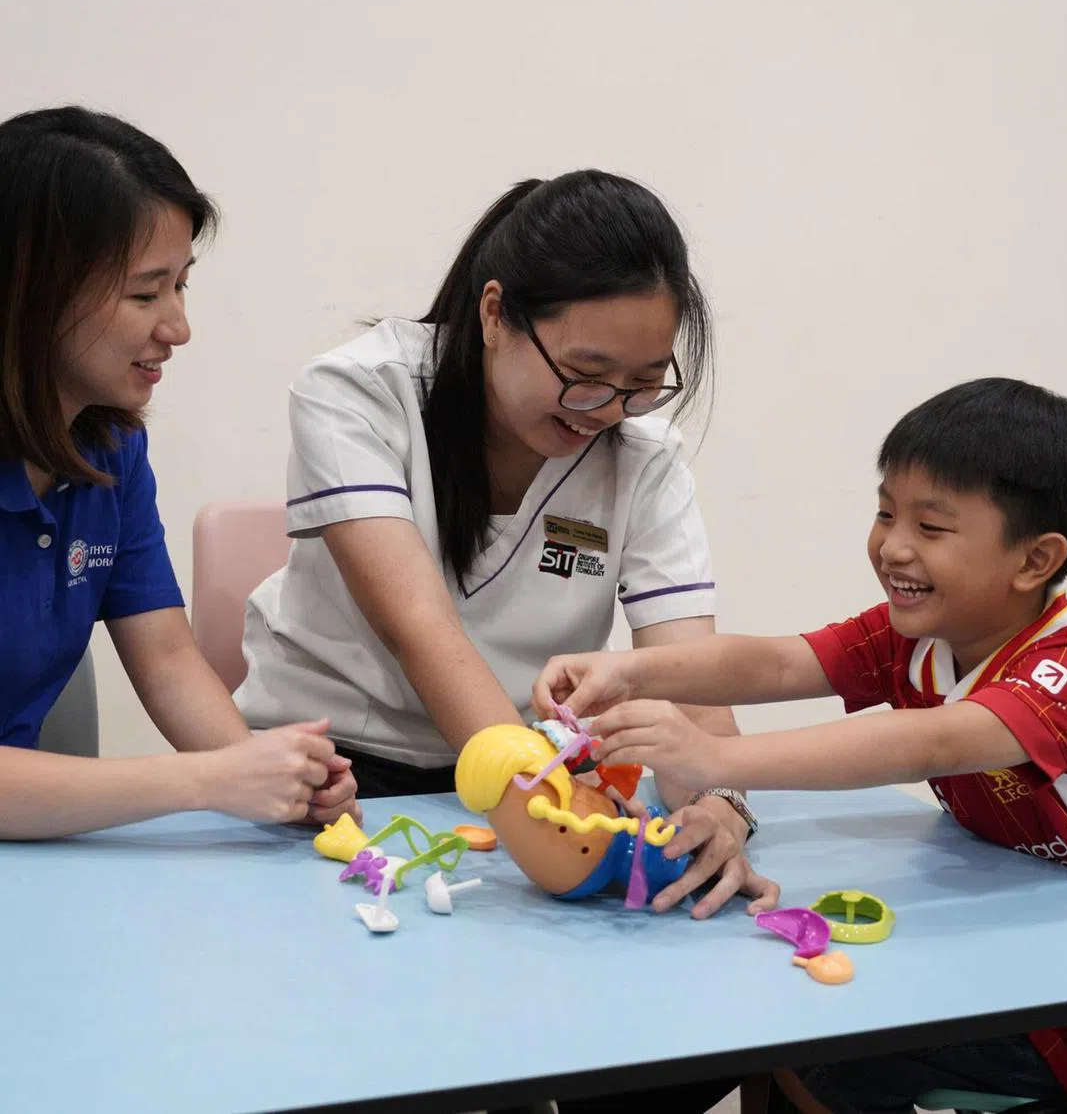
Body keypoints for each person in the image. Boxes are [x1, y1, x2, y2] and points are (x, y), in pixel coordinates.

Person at [536, 377, 1067, 1111]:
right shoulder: (915, 638)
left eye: (932, 527)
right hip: (996, 932)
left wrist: (714, 758)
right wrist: (629, 669)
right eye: (886, 513)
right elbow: (779, 661)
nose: (893, 547)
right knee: (745, 1001)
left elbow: (927, 744)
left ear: (1034, 561)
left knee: (813, 1036)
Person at [236, 168, 778, 925]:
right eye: (585, 375)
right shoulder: (357, 394)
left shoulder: (644, 459)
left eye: (644, 382)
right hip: (328, 782)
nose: (608, 411)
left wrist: (720, 803)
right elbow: (418, 629)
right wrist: (541, 817)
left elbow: (689, 680)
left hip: (527, 776)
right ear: (496, 314)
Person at [0, 105, 359, 840]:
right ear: (27, 292)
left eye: (181, 285)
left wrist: (272, 776)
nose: (178, 327)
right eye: (144, 293)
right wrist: (211, 780)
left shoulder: (108, 450)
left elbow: (165, 656)